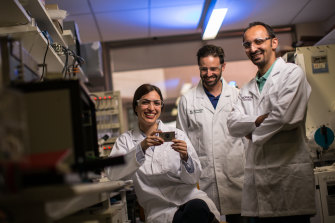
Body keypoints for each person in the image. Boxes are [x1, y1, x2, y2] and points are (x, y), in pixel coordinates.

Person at [227, 21, 316, 223]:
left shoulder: (292, 74)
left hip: (289, 181)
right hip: (258, 187)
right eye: (247, 45)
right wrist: (258, 119)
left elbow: (284, 117)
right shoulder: (248, 88)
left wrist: (250, 129)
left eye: (259, 41)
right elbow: (232, 124)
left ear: (274, 42)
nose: (253, 49)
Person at [105, 84, 220, 223]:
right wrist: (141, 147)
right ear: (136, 107)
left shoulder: (178, 134)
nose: (151, 108)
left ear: (161, 107)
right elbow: (112, 173)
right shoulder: (126, 141)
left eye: (156, 103)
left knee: (197, 207)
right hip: (159, 209)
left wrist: (186, 158)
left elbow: (193, 178)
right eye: (145, 102)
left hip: (190, 199)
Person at [177, 44, 246, 223]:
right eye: (204, 69)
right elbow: (181, 143)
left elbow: (248, 140)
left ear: (223, 67)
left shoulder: (238, 96)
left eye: (214, 68)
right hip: (204, 181)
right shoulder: (187, 100)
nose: (209, 74)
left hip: (237, 178)